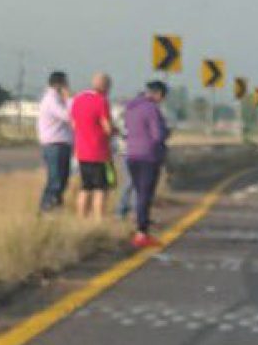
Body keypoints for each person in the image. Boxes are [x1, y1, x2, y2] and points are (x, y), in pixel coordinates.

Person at [124, 80, 170, 248]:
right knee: (145, 195)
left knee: (138, 192)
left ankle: (139, 228)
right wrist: (166, 132)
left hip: (132, 155)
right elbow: (157, 135)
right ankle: (141, 232)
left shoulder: (131, 107)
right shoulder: (152, 110)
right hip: (148, 157)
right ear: (158, 94)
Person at [70, 73, 115, 220]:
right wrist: (116, 131)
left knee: (85, 187)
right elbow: (107, 127)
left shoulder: (78, 99)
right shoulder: (101, 101)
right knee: (100, 188)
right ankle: (98, 219)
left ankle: (80, 218)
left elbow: (73, 123)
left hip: (81, 151)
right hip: (99, 152)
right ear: (105, 86)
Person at [37, 71, 73, 212]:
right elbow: (67, 116)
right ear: (59, 84)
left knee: (62, 179)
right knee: (56, 180)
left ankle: (56, 207)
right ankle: (46, 208)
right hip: (55, 144)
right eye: (65, 82)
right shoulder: (52, 99)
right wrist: (69, 99)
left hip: (60, 144)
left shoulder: (56, 98)